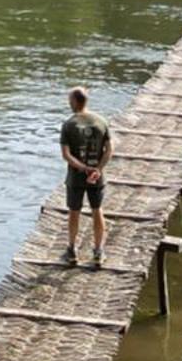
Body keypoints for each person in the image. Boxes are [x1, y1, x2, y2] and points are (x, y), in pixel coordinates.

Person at [61, 85, 111, 268]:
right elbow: (109, 150)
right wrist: (97, 169)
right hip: (97, 177)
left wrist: (83, 168)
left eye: (69, 100)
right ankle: (98, 251)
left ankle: (72, 250)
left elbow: (66, 154)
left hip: (76, 178)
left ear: (74, 101)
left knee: (74, 212)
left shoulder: (69, 125)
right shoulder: (101, 121)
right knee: (97, 210)